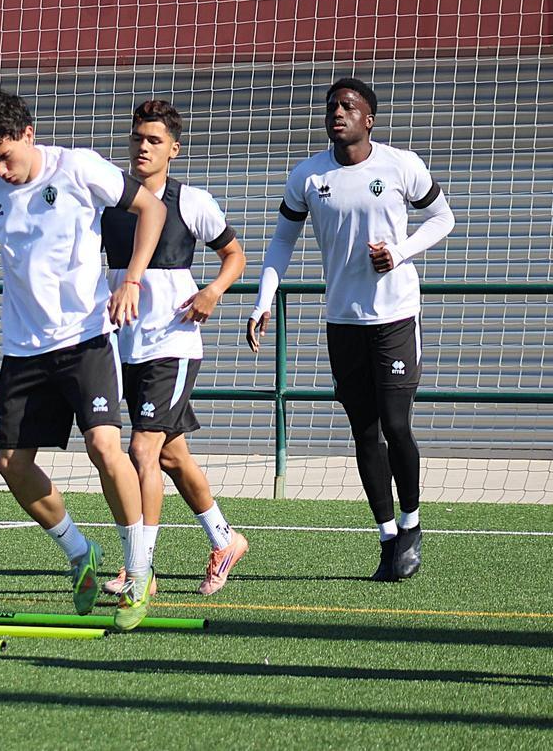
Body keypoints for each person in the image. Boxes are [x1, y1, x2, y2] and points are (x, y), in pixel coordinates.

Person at [0, 90, 168, 630]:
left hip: (85, 338)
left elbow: (151, 208)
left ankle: (139, 572)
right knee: (11, 463)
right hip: (24, 347)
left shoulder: (79, 168)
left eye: (6, 156)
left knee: (106, 445)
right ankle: (81, 552)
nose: (0, 169)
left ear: (29, 135)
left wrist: (131, 279)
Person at [246, 78, 454, 581]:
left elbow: (442, 218)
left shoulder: (401, 165)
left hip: (396, 317)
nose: (338, 112)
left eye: (349, 106)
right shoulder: (308, 176)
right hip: (343, 322)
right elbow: (282, 242)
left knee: (395, 423)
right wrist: (263, 300)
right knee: (363, 430)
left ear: (369, 119)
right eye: (332, 106)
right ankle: (387, 535)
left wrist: (399, 252)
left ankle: (412, 522)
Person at [98, 100, 249, 597]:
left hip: (174, 344)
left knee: (142, 449)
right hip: (126, 347)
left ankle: (140, 568)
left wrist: (211, 293)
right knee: (172, 457)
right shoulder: (111, 202)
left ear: (174, 150)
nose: (143, 146)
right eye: (138, 137)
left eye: (154, 140)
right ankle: (225, 539)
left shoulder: (193, 203)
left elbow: (234, 255)